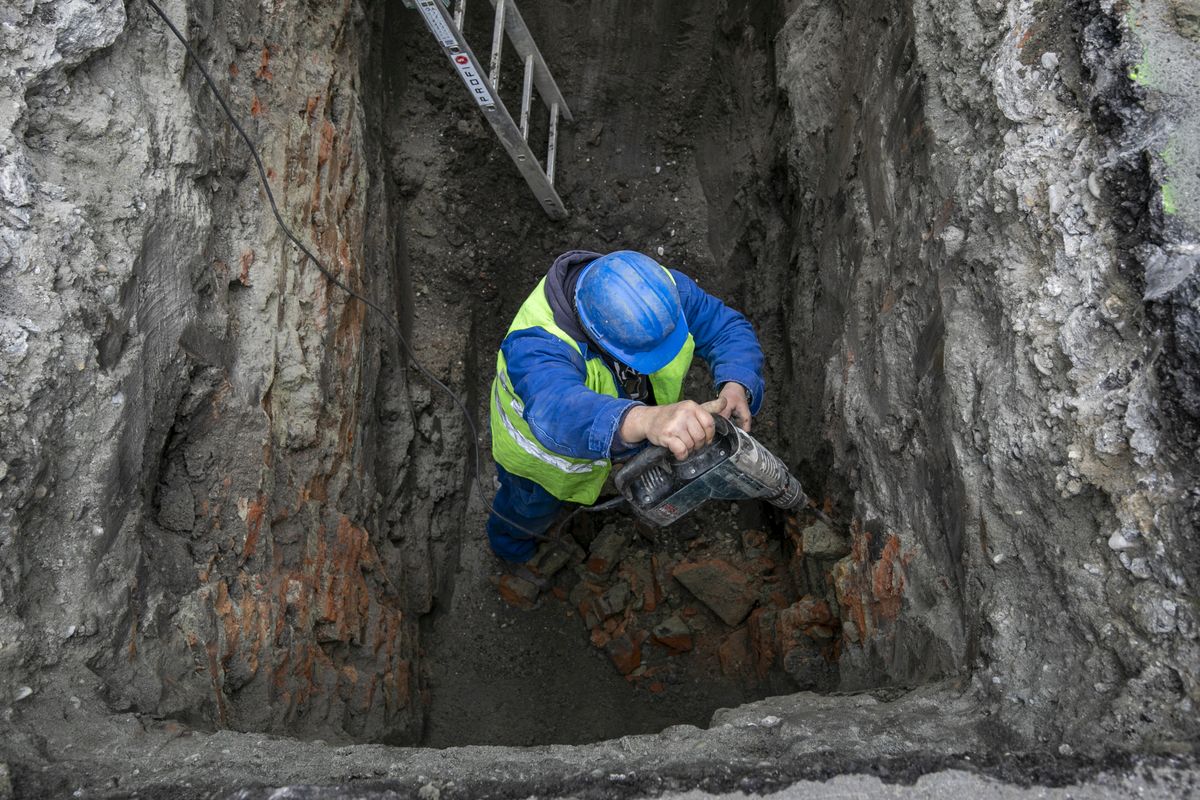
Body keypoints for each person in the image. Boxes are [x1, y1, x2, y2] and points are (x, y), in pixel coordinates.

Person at [487, 249, 765, 563]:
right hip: (538, 466)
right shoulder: (538, 345)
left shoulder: (659, 295)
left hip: (609, 438)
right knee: (528, 511)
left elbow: (724, 327)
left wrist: (737, 381)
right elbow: (557, 410)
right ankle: (512, 551)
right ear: (599, 337)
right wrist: (648, 420)